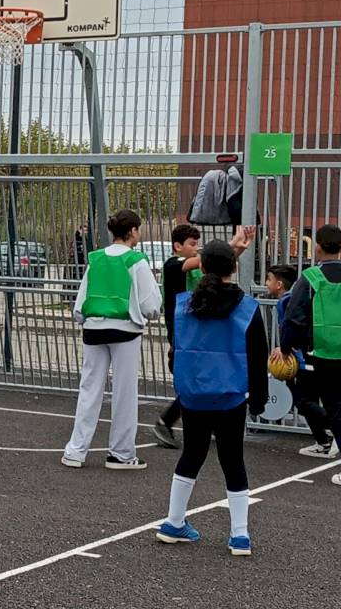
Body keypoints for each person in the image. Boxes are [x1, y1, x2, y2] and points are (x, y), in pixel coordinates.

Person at [154, 240, 268, 557]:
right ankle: (239, 535)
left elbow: (173, 269)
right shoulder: (247, 309)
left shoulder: (183, 306)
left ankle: (174, 522)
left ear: (202, 267)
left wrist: (196, 257)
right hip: (231, 395)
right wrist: (259, 400)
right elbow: (257, 359)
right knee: (233, 461)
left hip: (193, 394)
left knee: (191, 455)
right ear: (235, 268)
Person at [62, 210, 161, 470]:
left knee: (89, 389)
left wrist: (84, 316)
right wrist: (151, 313)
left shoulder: (95, 258)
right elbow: (150, 304)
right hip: (125, 330)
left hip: (93, 327)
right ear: (134, 231)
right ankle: (121, 453)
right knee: (124, 392)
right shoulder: (136, 260)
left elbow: (81, 300)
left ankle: (76, 450)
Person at [278, 224, 341, 488]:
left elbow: (294, 317)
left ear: (317, 247)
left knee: (335, 409)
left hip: (322, 349)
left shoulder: (310, 277)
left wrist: (286, 347)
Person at [152, 224, 253, 449]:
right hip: (180, 333)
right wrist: (231, 244)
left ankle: (184, 421)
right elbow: (209, 260)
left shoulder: (198, 269)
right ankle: (166, 420)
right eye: (191, 244)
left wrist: (236, 250)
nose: (196, 248)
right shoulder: (173, 265)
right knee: (194, 382)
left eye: (198, 245)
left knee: (201, 378)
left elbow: (217, 265)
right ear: (177, 246)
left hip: (193, 331)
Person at [266, 264, 335, 458]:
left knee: (303, 401)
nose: (266, 283)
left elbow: (295, 326)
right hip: (301, 357)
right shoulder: (292, 299)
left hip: (302, 359)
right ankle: (323, 442)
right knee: (307, 400)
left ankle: (338, 427)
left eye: (269, 279)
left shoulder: (288, 301)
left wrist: (286, 347)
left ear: (279, 284)